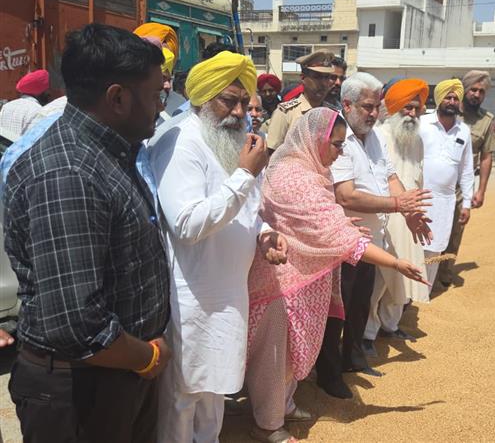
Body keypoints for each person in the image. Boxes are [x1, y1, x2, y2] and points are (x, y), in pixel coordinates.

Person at [4, 23, 170, 443]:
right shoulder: (68, 174)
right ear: (117, 98)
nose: (160, 107)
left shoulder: (109, 151)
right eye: (156, 95)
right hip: (81, 388)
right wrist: (148, 357)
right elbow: (78, 324)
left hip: (117, 374)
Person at [245, 107, 425, 443]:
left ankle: (282, 405)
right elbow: (332, 232)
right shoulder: (295, 177)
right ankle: (267, 425)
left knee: (291, 352)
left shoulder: (311, 169)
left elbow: (321, 221)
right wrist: (395, 263)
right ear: (316, 140)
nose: (341, 152)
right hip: (280, 283)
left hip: (302, 278)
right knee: (276, 355)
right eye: (337, 144)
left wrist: (342, 223)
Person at [148, 51, 287, 442]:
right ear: (203, 97)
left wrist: (263, 233)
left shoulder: (233, 141)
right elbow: (187, 224)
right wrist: (244, 175)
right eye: (229, 100)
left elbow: (246, 210)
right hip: (191, 297)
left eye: (244, 102)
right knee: (183, 396)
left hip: (229, 295)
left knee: (215, 391)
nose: (240, 111)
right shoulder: (180, 142)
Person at [315, 72, 432, 399]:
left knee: (360, 304)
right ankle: (328, 374)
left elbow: (391, 177)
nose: (373, 112)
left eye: (376, 106)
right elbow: (346, 196)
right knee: (337, 311)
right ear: (347, 104)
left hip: (372, 240)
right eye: (367, 106)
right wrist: (397, 205)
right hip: (345, 242)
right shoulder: (338, 138)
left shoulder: (374, 137)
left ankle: (353, 359)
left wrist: (410, 212)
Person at [364, 78, 431, 352]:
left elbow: (419, 179)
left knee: (405, 274)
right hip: (385, 215)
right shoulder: (377, 135)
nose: (412, 113)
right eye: (407, 107)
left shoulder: (418, 141)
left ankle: (390, 325)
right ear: (394, 107)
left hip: (409, 218)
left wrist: (417, 211)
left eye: (417, 108)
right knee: (379, 279)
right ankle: (367, 333)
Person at [437, 70, 495, 287]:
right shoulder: (448, 110)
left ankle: (444, 271)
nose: (477, 94)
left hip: (462, 186)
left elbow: (487, 156)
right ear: (465, 90)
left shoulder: (486, 121)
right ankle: (425, 269)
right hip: (438, 180)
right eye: (473, 89)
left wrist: (481, 191)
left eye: (482, 91)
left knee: (455, 231)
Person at [420, 79, 474, 287]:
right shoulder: (422, 123)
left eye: (455, 98)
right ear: (439, 99)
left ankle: (425, 290)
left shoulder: (464, 131)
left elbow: (466, 169)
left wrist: (467, 203)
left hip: (445, 201)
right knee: (415, 244)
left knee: (436, 246)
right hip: (420, 197)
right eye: (447, 97)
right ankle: (408, 294)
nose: (451, 102)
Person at [267, 50, 336, 153]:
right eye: (317, 77)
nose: (323, 83)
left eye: (326, 77)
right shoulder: (285, 113)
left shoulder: (331, 114)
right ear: (303, 78)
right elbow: (271, 153)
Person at [0, 69, 50, 140]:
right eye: (47, 90)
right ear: (39, 92)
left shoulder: (7, 106)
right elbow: (34, 140)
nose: (49, 94)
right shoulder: (38, 110)